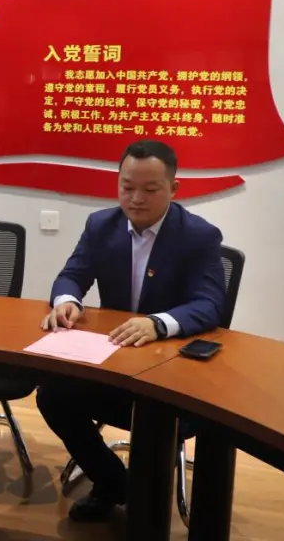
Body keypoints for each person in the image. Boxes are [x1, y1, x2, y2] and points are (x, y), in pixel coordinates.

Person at [36, 140, 226, 523]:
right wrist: (67, 301)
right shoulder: (101, 225)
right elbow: (72, 274)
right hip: (114, 361)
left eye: (150, 189)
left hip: (170, 371)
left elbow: (209, 305)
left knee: (156, 416)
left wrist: (158, 323)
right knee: (53, 395)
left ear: (174, 189)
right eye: (127, 187)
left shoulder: (199, 236)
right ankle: (113, 483)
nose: (136, 199)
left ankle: (146, 507)